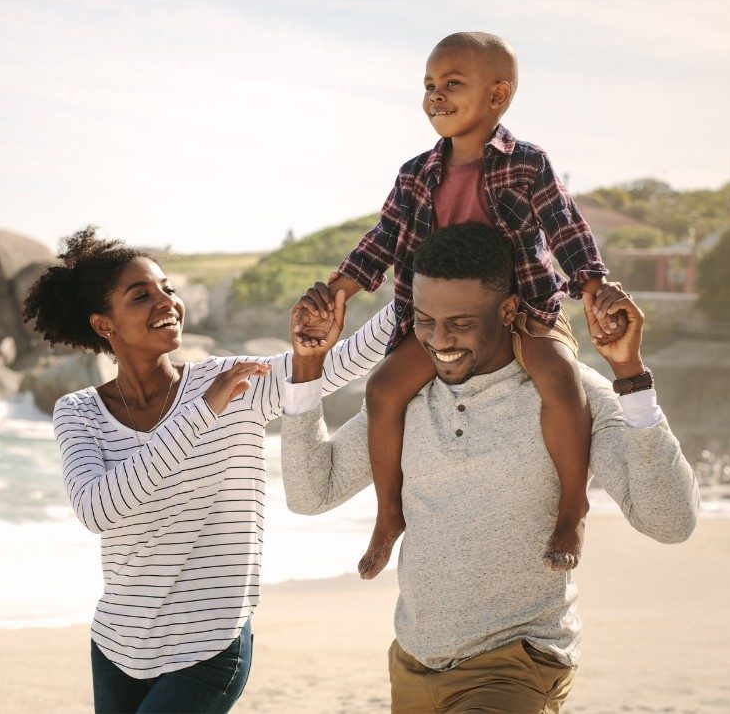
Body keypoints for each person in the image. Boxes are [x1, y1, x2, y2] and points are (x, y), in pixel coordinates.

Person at [282, 223, 699, 713]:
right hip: (414, 662)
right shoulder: (407, 397)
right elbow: (311, 494)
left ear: (506, 311)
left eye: (460, 323)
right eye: (424, 320)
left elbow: (670, 523)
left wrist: (630, 374)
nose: (439, 340)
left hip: (516, 663)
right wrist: (308, 367)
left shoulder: (572, 397)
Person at [22, 226, 394, 713]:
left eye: (168, 289)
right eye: (141, 296)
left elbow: (338, 363)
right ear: (104, 324)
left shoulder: (233, 381)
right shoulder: (80, 412)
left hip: (208, 645)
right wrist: (204, 411)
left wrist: (418, 293)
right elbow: (98, 509)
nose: (167, 303)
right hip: (118, 645)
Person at [311, 31, 624, 580]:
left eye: (452, 84)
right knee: (383, 390)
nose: (435, 96)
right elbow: (383, 237)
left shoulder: (526, 164)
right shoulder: (415, 173)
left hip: (521, 308)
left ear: (498, 95)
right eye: (429, 86)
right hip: (436, 317)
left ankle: (572, 507)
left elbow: (564, 227)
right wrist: (340, 288)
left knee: (558, 377)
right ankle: (389, 512)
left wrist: (592, 284)